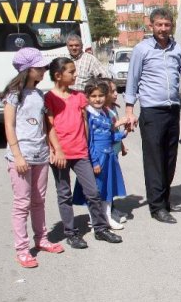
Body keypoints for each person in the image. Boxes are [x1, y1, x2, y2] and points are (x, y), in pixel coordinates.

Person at [124, 8, 181, 224]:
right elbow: (132, 79)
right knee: (154, 159)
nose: (163, 29)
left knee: (169, 158)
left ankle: (165, 199)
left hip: (172, 109)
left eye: (167, 25)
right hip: (152, 111)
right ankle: (157, 207)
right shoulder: (142, 49)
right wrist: (129, 109)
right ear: (151, 26)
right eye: (159, 25)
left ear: (171, 26)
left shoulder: (177, 49)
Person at [45, 58, 123, 248]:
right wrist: (55, 150)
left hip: (81, 153)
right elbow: (49, 126)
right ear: (58, 75)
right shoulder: (49, 97)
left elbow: (90, 121)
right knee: (64, 194)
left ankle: (100, 228)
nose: (75, 75)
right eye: (71, 72)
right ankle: (71, 233)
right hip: (61, 155)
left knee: (93, 192)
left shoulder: (79, 97)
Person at [3, 48, 64, 267]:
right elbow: (9, 126)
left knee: (38, 200)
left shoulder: (39, 95)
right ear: (27, 70)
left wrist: (54, 149)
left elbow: (47, 126)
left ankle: (42, 239)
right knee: (22, 204)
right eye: (38, 67)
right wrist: (18, 156)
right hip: (22, 157)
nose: (43, 70)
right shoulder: (13, 95)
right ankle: (22, 249)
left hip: (40, 155)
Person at [73, 78, 128, 231]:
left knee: (108, 189)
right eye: (94, 96)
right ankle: (96, 218)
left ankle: (107, 216)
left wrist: (124, 133)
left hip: (109, 156)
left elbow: (110, 137)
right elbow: (88, 141)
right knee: (96, 190)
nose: (98, 99)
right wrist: (95, 162)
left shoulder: (105, 113)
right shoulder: (88, 116)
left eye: (101, 95)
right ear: (87, 97)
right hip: (97, 157)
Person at [103, 78, 130, 223]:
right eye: (111, 91)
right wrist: (121, 122)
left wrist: (123, 146)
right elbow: (108, 128)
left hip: (115, 149)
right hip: (106, 151)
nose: (115, 94)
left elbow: (117, 132)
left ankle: (112, 206)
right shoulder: (102, 111)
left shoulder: (113, 107)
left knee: (112, 179)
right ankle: (108, 210)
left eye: (116, 91)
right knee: (106, 181)